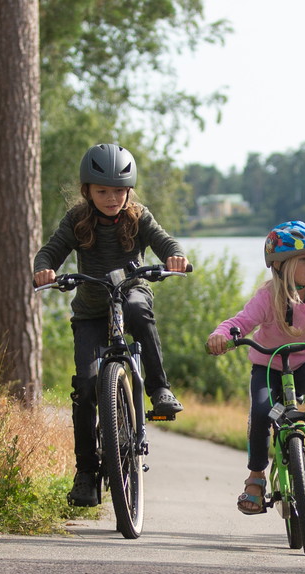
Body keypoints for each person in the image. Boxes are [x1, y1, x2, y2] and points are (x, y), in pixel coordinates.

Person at [33, 143, 189, 507]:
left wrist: (174, 256)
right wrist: (45, 268)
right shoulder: (76, 219)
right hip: (90, 311)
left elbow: (165, 241)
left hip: (131, 292)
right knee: (86, 387)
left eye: (119, 190)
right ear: (87, 190)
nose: (112, 197)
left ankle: (160, 390)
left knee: (138, 309)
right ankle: (86, 473)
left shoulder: (138, 216)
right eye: (102, 190)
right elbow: (50, 251)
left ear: (129, 190)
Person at [206, 221, 305, 515]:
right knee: (261, 409)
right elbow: (239, 323)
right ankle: (256, 478)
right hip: (268, 367)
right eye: (304, 259)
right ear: (280, 265)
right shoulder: (267, 297)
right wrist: (222, 337)